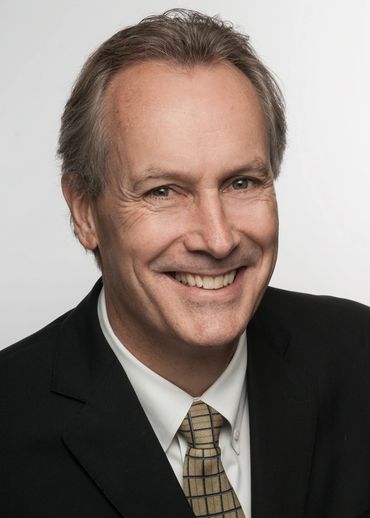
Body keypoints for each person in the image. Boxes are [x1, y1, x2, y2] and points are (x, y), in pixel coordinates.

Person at [1, 8, 369, 518]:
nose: (217, 239)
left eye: (242, 182)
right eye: (163, 191)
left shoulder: (360, 356)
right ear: (84, 211)